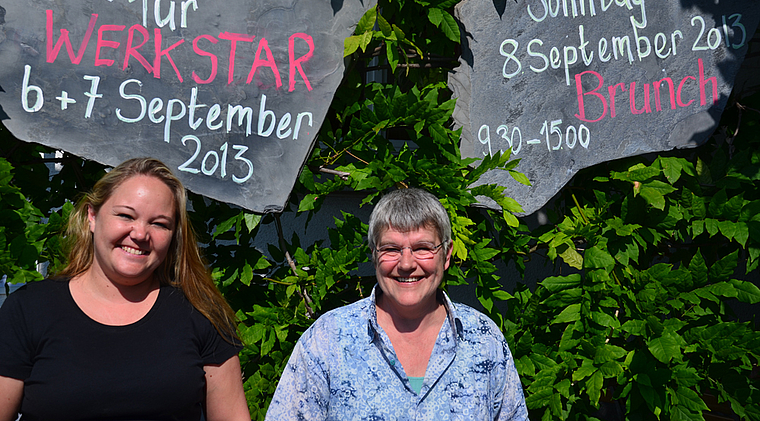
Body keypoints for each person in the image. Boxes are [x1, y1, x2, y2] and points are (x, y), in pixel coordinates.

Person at [0, 158, 251, 421]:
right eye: (126, 215)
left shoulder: (201, 313)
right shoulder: (28, 311)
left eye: (160, 223)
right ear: (92, 217)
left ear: (174, 234)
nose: (141, 234)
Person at [266, 187, 529, 420]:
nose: (406, 264)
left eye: (422, 248)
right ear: (374, 255)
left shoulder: (484, 341)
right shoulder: (328, 340)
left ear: (446, 256)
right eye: (391, 249)